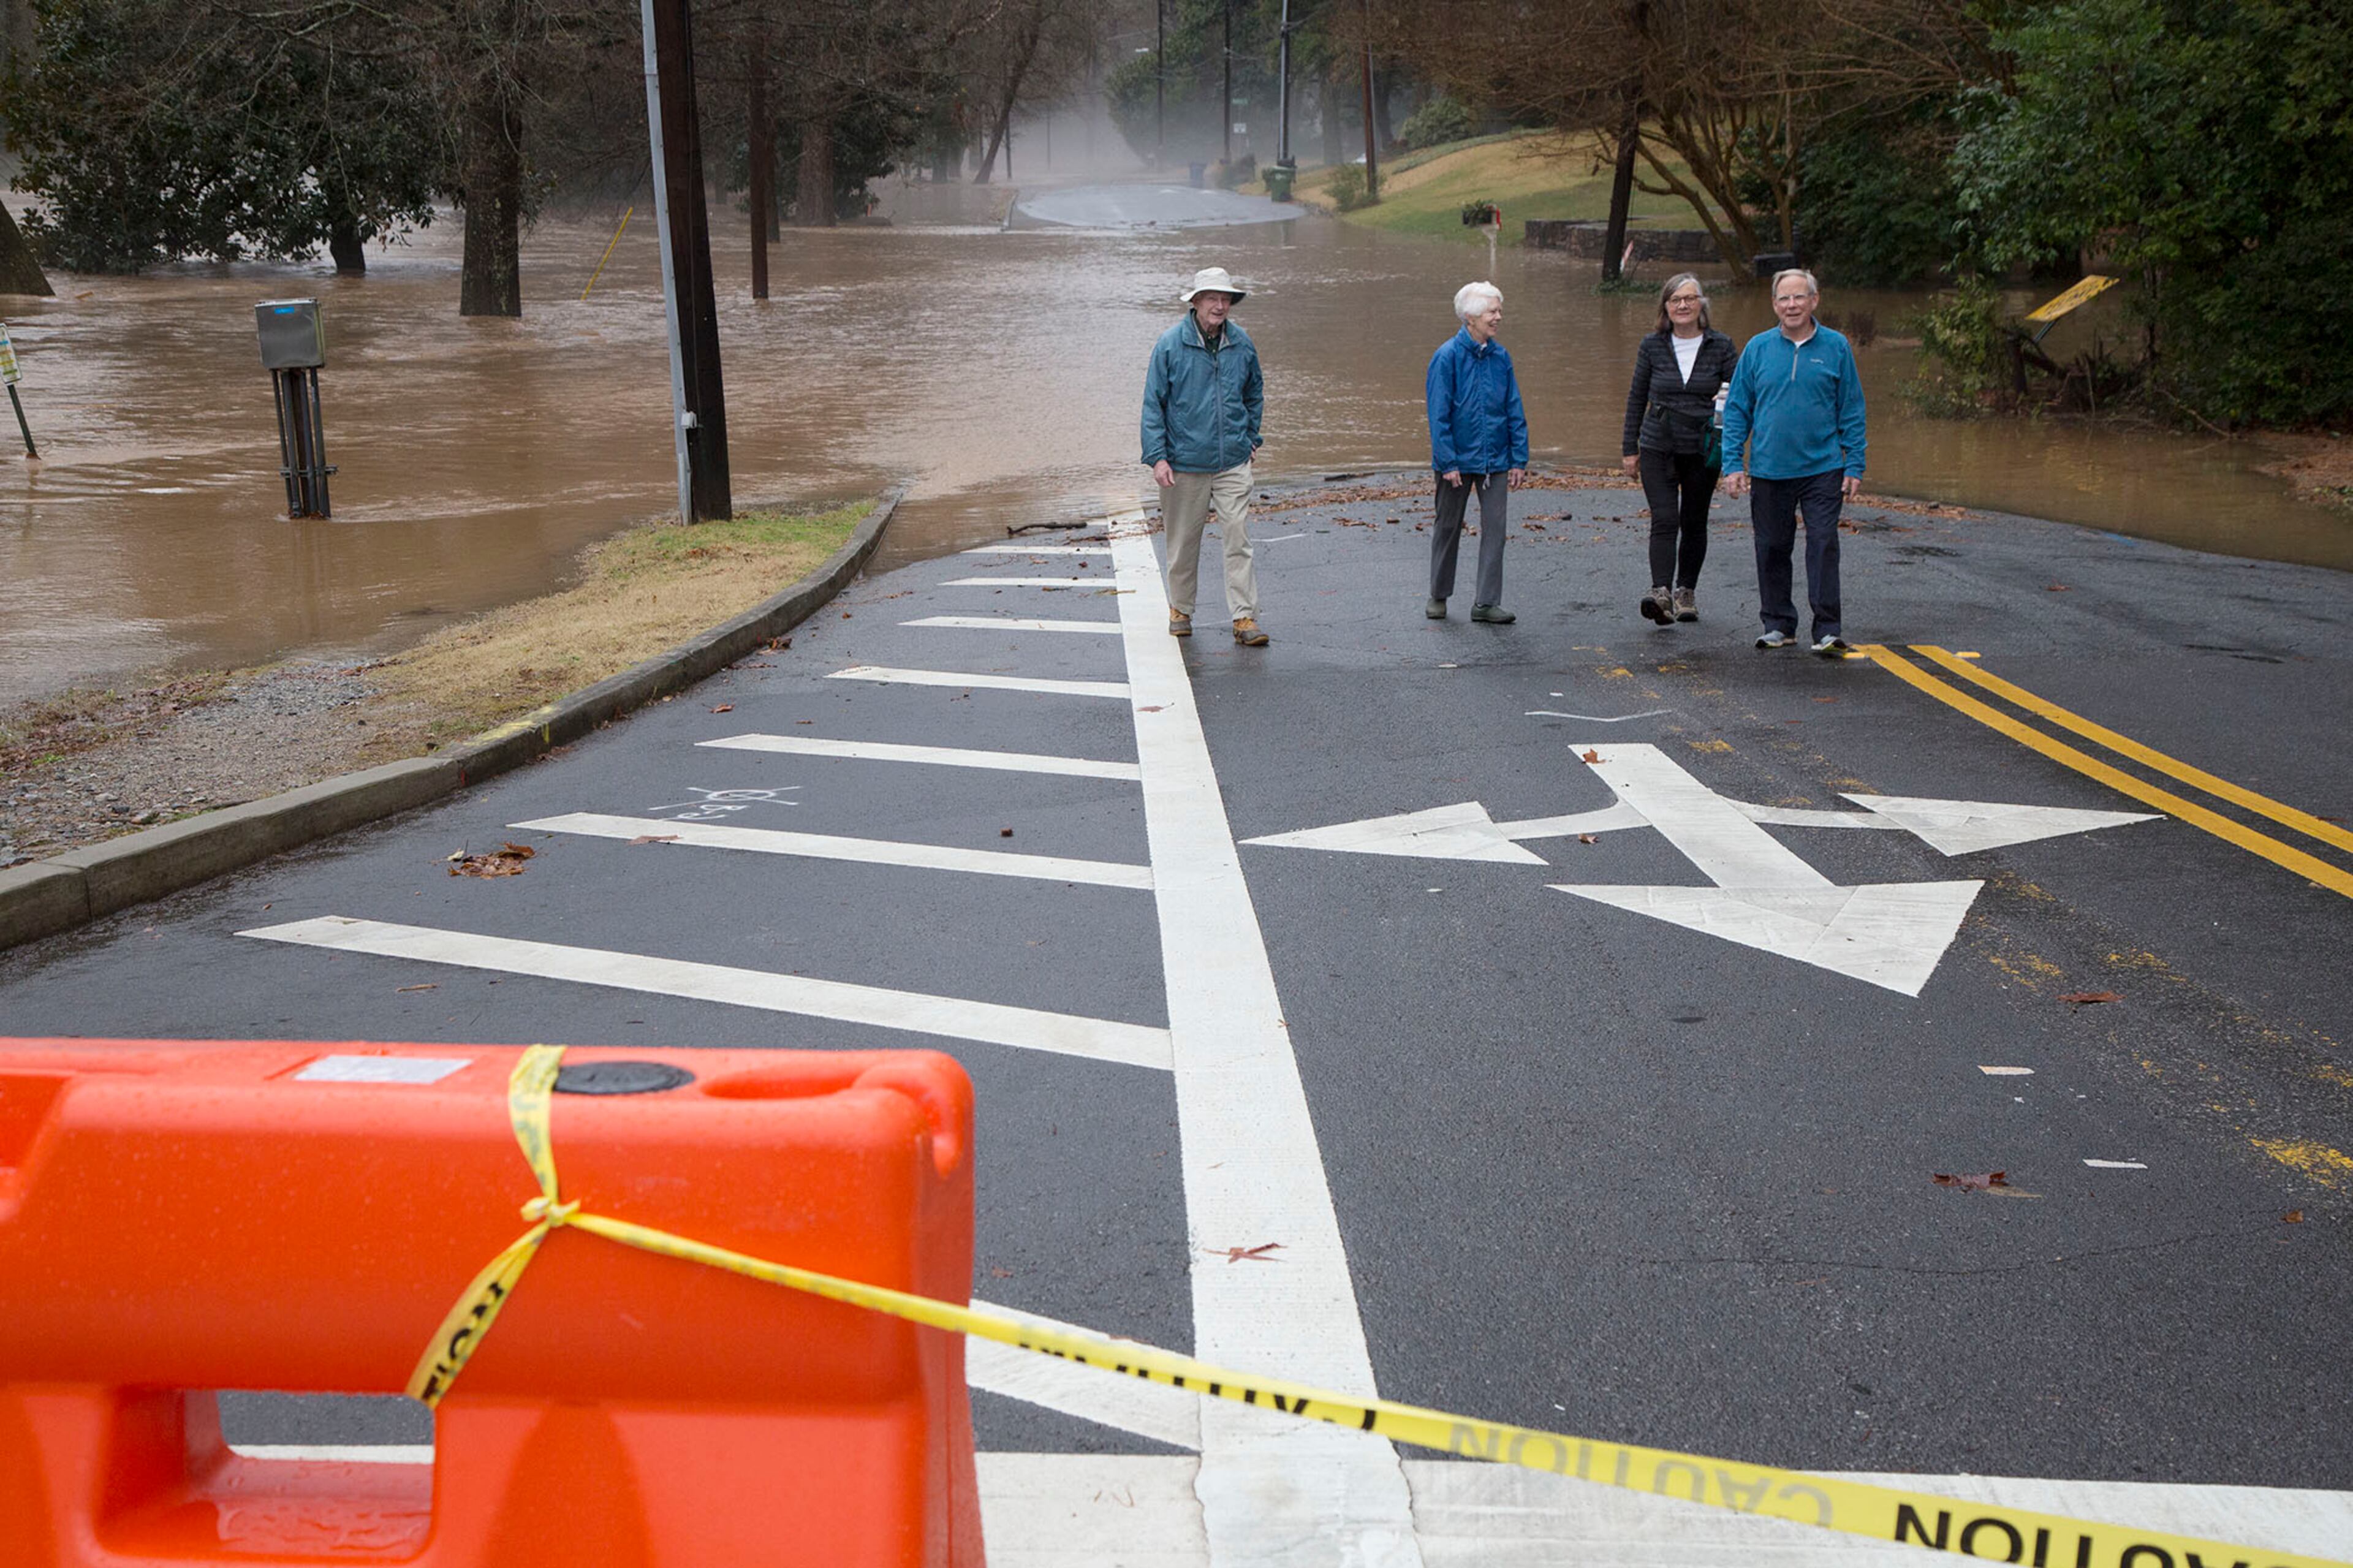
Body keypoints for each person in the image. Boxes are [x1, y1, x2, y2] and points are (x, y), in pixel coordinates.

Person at [1719, 268, 1868, 656]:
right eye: (1784, 299)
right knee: (1771, 547)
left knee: (1822, 543)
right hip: (1769, 468)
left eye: (1799, 297)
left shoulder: (1836, 347)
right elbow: (1737, 409)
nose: (1792, 305)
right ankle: (1779, 624)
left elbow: (1852, 408)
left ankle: (1827, 630)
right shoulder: (1757, 349)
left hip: (1823, 467)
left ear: (1814, 301)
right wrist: (1732, 463)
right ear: (1774, 304)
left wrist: (1855, 464)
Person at [1141, 265, 1268, 645]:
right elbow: (1153, 406)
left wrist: (1251, 439)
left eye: (1225, 299)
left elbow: (1255, 393)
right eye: (1212, 298)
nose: (1220, 305)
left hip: (1232, 461)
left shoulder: (1242, 343)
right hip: (1183, 464)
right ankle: (1181, 609)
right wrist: (1157, 458)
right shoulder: (1169, 345)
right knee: (1182, 542)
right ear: (1195, 302)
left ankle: (1245, 618)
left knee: (1238, 539)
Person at [1620, 274, 1738, 627]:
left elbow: (1740, 398)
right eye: (1675, 300)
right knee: (1665, 518)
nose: (1683, 305)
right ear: (1666, 308)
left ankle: (1686, 592)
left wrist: (1734, 452)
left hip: (1703, 448)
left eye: (1689, 299)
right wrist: (1630, 448)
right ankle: (1661, 593)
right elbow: (1637, 396)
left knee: (1694, 520)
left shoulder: (1722, 346)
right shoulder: (1652, 345)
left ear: (1701, 304)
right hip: (1658, 444)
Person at [1423, 281, 1529, 624]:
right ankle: (1439, 595)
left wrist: (1519, 458)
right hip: (1456, 462)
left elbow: (1514, 407)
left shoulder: (1501, 356)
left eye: (1499, 310)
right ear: (1471, 317)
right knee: (1448, 527)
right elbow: (1438, 415)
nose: (1499, 317)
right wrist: (1448, 461)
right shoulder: (1446, 357)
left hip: (1496, 460)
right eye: (1492, 312)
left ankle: (1486, 603)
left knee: (1496, 530)